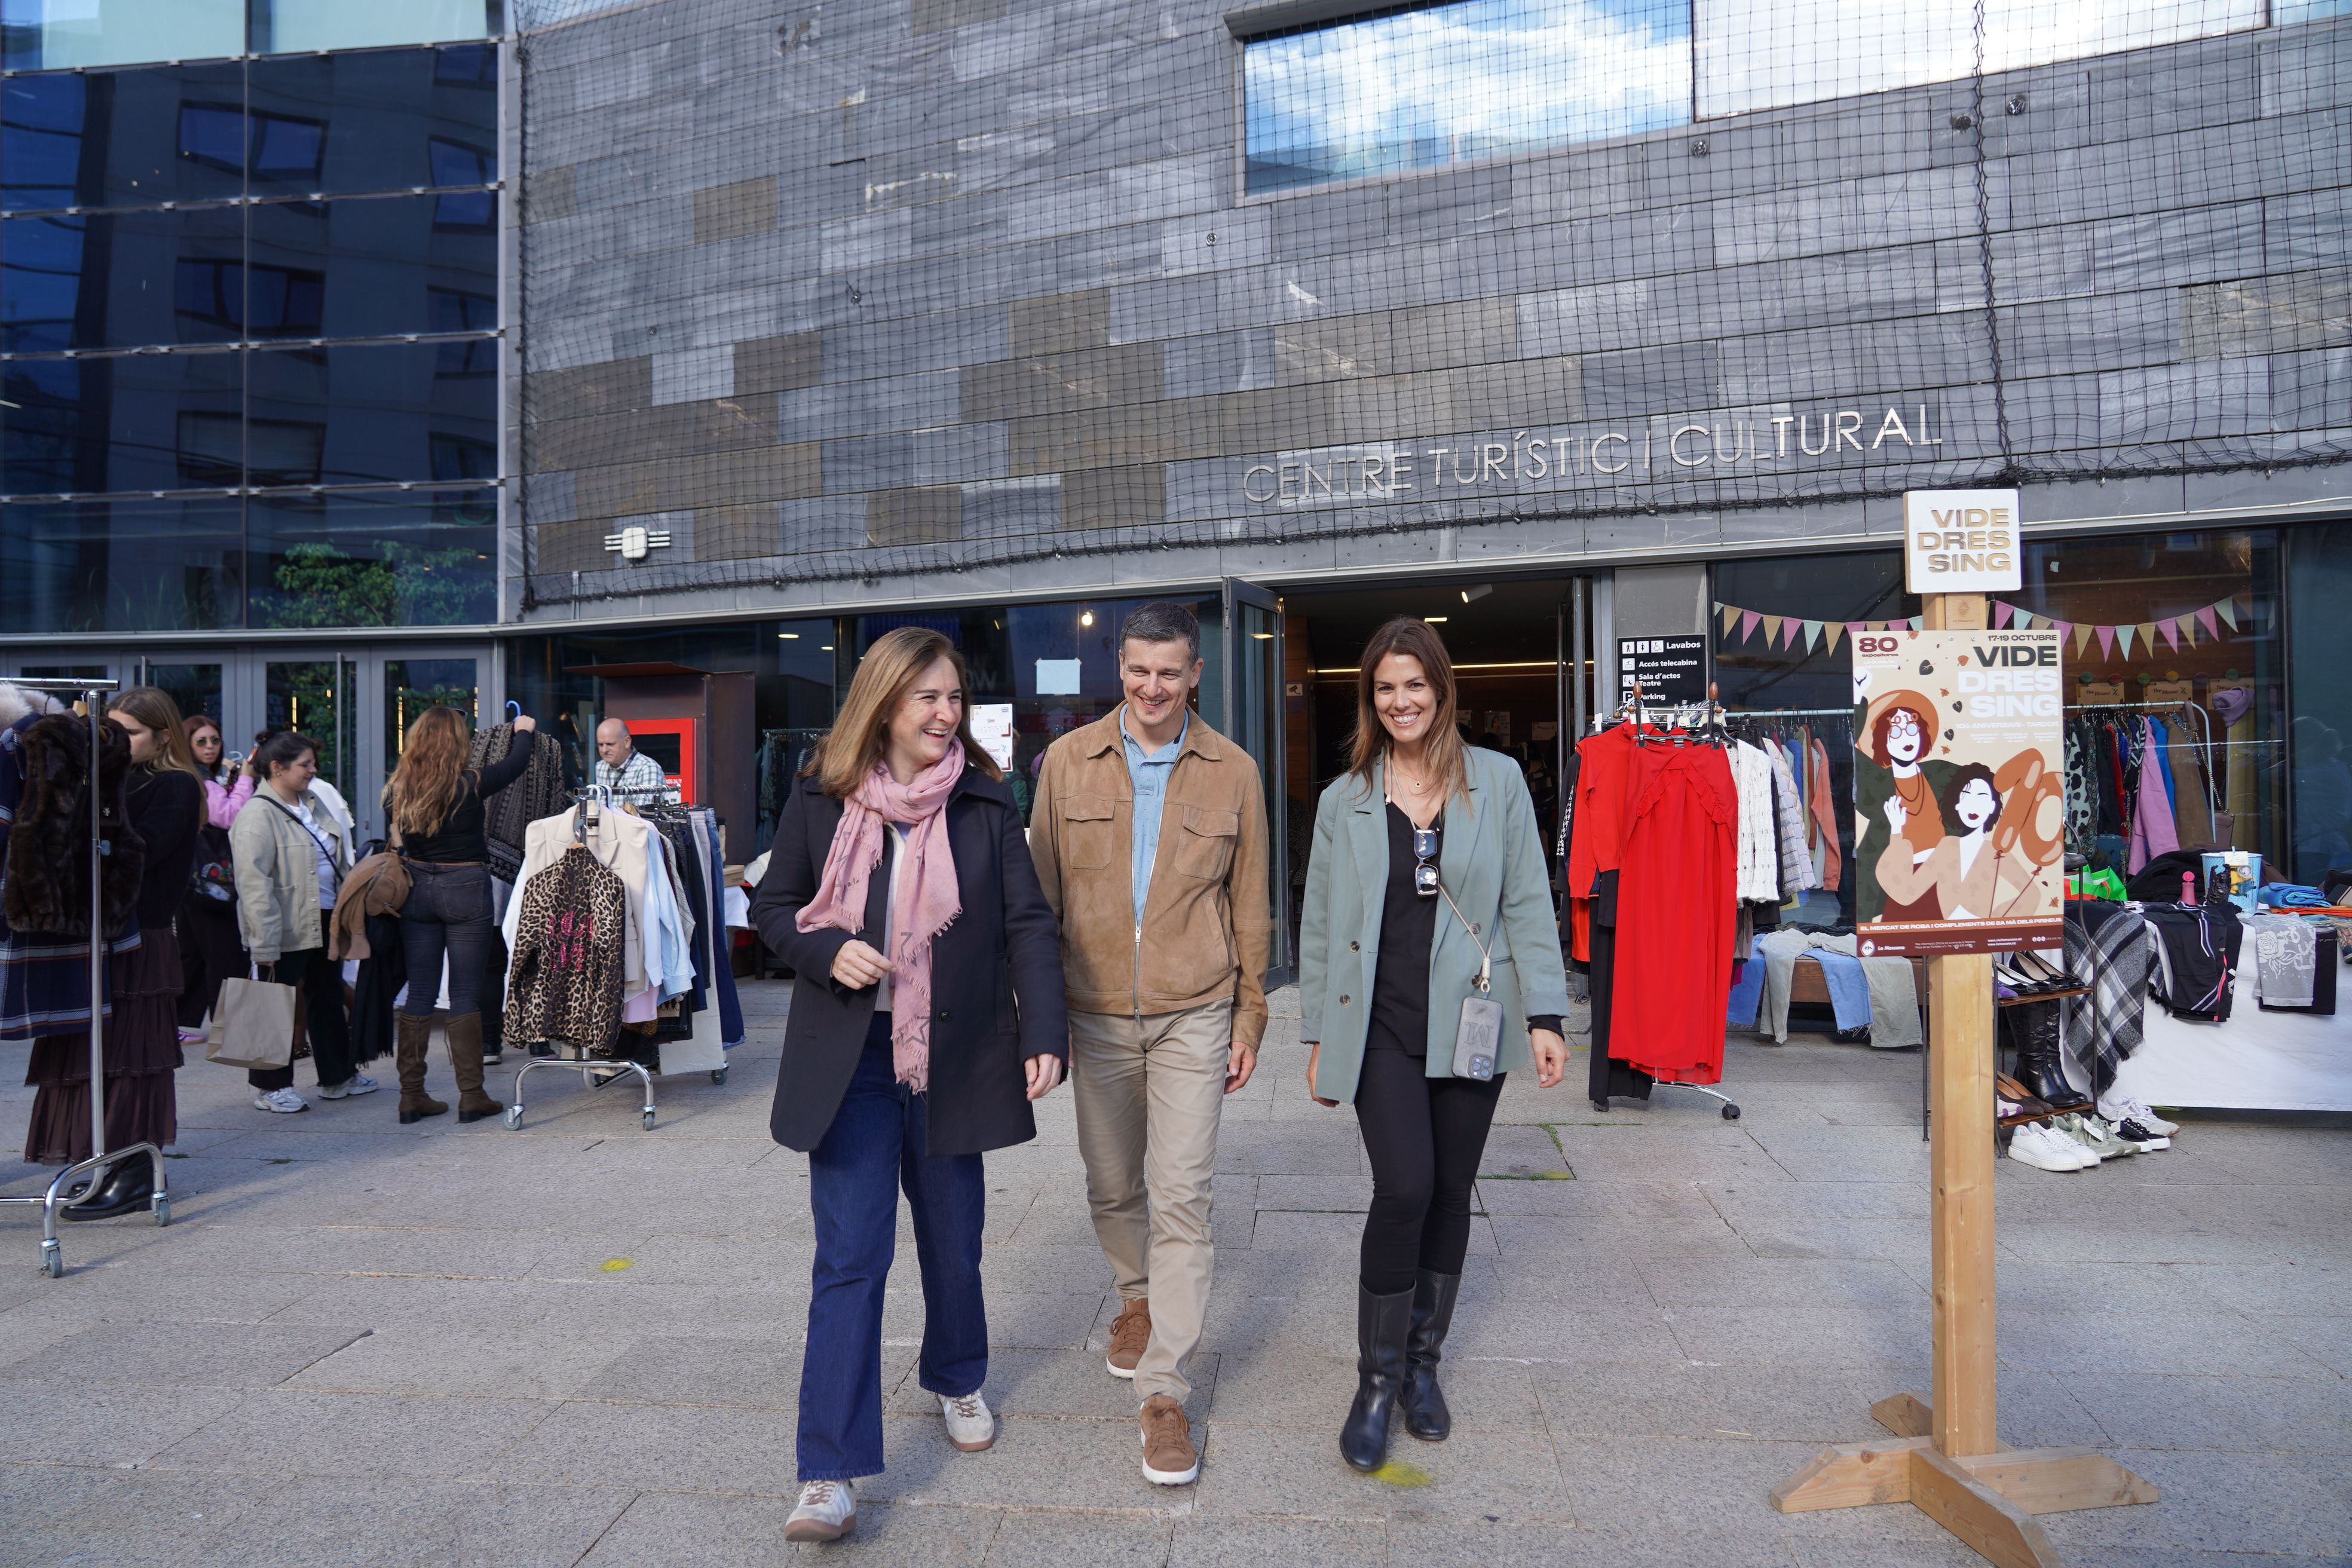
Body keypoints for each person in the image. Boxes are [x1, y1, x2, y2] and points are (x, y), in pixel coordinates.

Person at [751, 626, 1067, 1545]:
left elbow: (1028, 925)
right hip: (850, 1064)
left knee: (953, 1242)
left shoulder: (985, 801)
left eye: (954, 697)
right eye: (928, 696)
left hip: (952, 1059)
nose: (945, 713)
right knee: (851, 1258)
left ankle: (957, 1376)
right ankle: (828, 1472)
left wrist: (1045, 1032)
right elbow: (773, 908)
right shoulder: (821, 797)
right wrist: (826, 950)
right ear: (885, 703)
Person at [1296, 617, 1570, 1473]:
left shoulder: (1497, 781)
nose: (1400, 700)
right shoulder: (1344, 799)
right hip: (1378, 1022)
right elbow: (1319, 924)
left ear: (1442, 690)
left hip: (1472, 1020)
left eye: (1414, 684)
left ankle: (1422, 1367)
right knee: (1405, 1185)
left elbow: (1527, 898)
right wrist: (1318, 1034)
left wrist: (1547, 1014)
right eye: (1385, 688)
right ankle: (1375, 1382)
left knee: (1451, 1191)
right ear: (1370, 699)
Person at [1025, 600, 1269, 1488]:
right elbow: (1038, 900)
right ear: (1118, 669)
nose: (1153, 687)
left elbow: (1251, 903)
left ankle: (1164, 1393)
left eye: (1169, 672)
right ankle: (1136, 1296)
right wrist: (1041, 1016)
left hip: (1193, 1010)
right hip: (1093, 1012)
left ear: (1195, 673)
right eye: (1138, 670)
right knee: (1112, 1181)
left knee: (1183, 1196)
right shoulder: (1066, 762)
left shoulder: (1234, 770)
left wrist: (1249, 1016)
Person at [21, 688, 206, 1219]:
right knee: (86, 1055)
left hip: (139, 938)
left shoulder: (176, 784)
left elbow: (138, 849)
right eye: (110, 731)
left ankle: (133, 1171)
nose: (117, 742)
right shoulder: (113, 778)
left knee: (130, 1058)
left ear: (163, 736)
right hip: (96, 935)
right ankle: (101, 1160)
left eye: (130, 733)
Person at [381, 705, 540, 1124]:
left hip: (417, 889)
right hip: (466, 888)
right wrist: (523, 730)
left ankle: (411, 1097)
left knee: (420, 993)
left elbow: (397, 839)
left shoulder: (399, 788)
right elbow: (516, 764)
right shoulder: (468, 784)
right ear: (456, 742)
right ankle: (472, 1096)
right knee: (465, 994)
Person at [229, 731, 373, 1113]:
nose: (313, 770)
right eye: (305, 764)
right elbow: (254, 884)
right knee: (272, 1002)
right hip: (282, 923)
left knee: (327, 997)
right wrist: (263, 941)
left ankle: (338, 1077)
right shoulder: (257, 814)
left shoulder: (311, 802)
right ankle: (271, 1088)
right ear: (277, 768)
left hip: (323, 916)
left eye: (313, 763)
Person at [1876, 762, 2045, 921]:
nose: (1973, 805)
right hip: (1947, 936)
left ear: (1992, 806)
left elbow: (2032, 894)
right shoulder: (1947, 847)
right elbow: (1908, 893)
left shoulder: (1996, 852)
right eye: (1966, 796)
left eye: (1982, 797)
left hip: (1982, 938)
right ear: (1957, 804)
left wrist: (1995, 921)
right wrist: (1897, 829)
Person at [175, 713, 254, 1039]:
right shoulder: (200, 780)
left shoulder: (192, 776)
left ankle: (181, 1024)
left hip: (193, 878)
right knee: (225, 954)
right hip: (211, 883)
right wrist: (246, 779)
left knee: (193, 954)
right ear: (187, 744)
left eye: (215, 741)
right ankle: (230, 1029)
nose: (210, 747)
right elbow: (230, 816)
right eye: (201, 742)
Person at [594, 718, 669, 804]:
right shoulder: (600, 767)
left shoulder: (648, 768)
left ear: (627, 742)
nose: (604, 750)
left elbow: (646, 810)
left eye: (610, 744)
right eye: (601, 745)